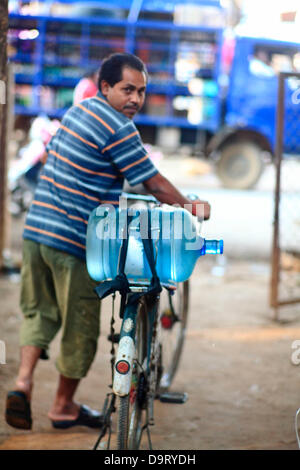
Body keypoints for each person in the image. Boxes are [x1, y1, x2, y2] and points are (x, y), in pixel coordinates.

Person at [5, 53, 210, 431]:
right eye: (127, 89)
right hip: (74, 242)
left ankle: (23, 383)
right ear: (105, 88)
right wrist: (191, 205)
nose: (135, 99)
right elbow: (154, 183)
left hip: (36, 232)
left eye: (142, 91)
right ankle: (63, 407)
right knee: (80, 328)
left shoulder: (78, 111)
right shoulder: (119, 127)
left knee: (39, 312)